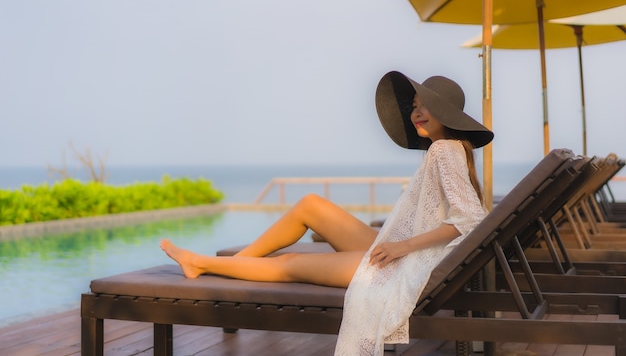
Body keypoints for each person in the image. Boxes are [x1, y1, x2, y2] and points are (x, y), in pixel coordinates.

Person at [160, 70, 494, 356]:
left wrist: (401, 248)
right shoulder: (445, 150)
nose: (416, 113)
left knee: (289, 265)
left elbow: (468, 219)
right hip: (405, 250)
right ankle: (234, 270)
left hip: (410, 265)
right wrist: (397, 243)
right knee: (310, 205)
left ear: (444, 113)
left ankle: (200, 263)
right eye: (415, 106)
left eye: (425, 107)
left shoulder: (444, 150)